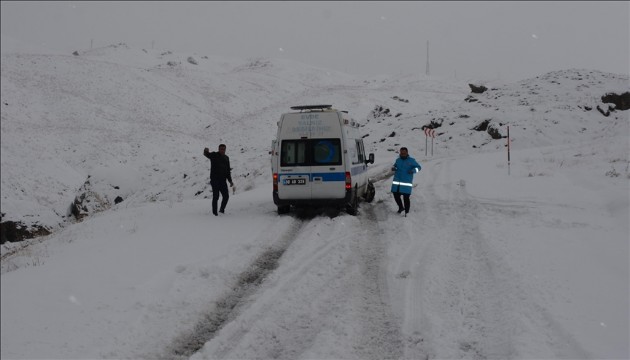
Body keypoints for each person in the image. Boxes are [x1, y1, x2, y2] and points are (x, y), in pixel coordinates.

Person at [203, 144, 234, 216]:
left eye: (224, 149)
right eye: (221, 149)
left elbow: (227, 171)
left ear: (225, 150)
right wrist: (205, 151)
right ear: (218, 149)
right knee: (216, 196)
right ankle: (215, 213)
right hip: (214, 180)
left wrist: (230, 181)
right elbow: (206, 154)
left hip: (223, 180)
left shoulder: (226, 158)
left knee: (226, 196)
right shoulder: (214, 155)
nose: (222, 150)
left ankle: (221, 210)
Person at [391, 147, 422, 216]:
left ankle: (407, 212)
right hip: (397, 183)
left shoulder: (411, 160)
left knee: (406, 198)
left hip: (406, 183)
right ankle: (401, 207)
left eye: (404, 153)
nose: (403, 154)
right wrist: (394, 168)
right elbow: (395, 166)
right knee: (396, 195)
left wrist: (413, 171)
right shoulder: (398, 160)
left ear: (407, 153)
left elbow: (419, 167)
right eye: (401, 153)